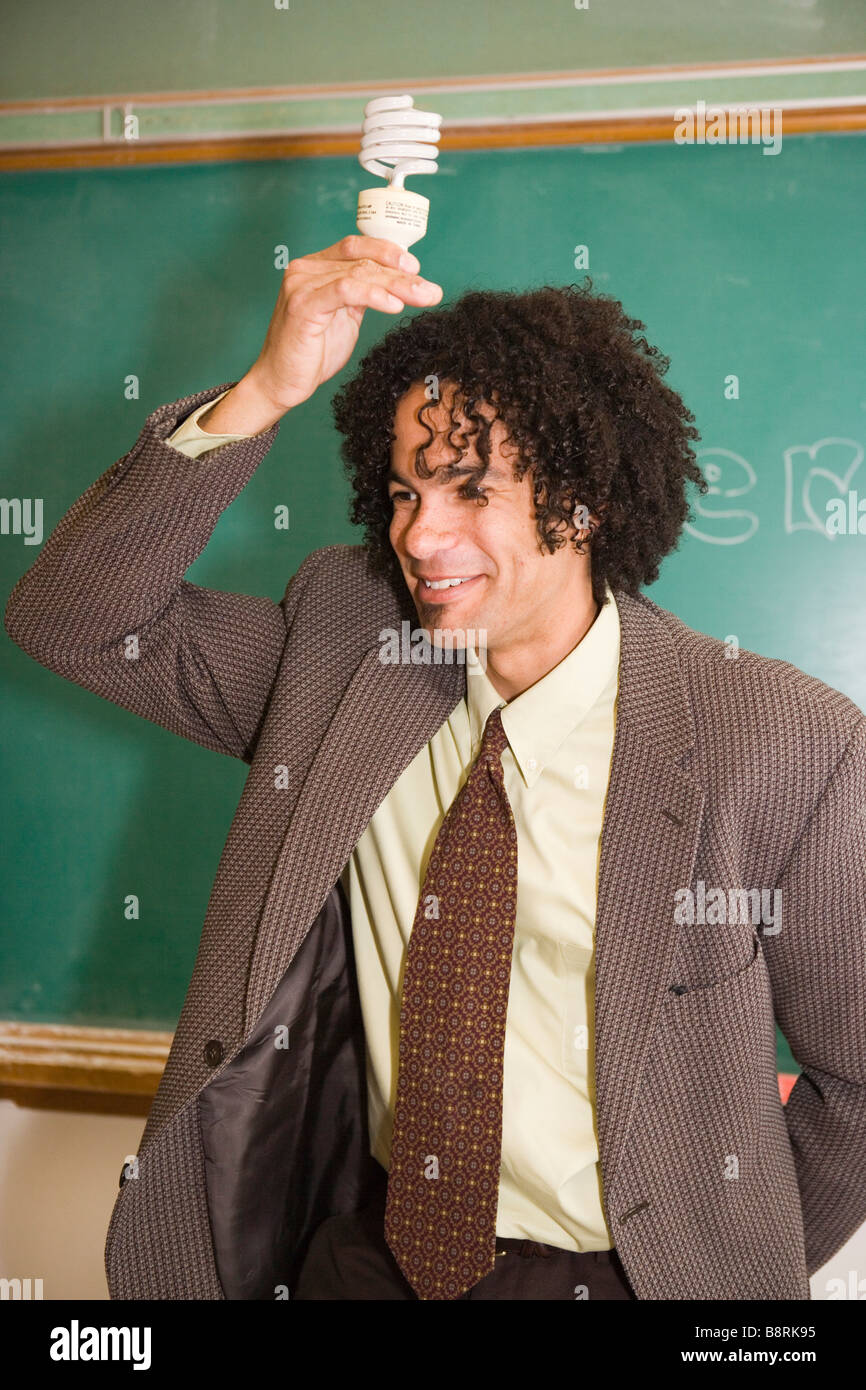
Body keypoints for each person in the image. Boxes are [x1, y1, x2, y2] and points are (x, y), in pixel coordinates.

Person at [6, 237, 866, 1301]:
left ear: (582, 501)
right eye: (405, 491)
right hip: (362, 1254)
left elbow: (856, 1083)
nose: (421, 533)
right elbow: (75, 624)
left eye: (469, 489)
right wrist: (266, 388)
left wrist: (713, 1256)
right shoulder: (343, 649)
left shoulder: (780, 741)